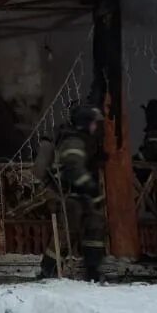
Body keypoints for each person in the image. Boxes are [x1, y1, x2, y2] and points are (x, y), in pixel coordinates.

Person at [39, 104, 107, 283]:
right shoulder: (74, 140)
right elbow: (73, 167)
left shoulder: (82, 139)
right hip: (69, 194)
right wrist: (91, 187)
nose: (95, 127)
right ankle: (48, 269)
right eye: (92, 123)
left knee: (94, 227)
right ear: (85, 123)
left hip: (80, 194)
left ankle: (92, 269)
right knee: (68, 232)